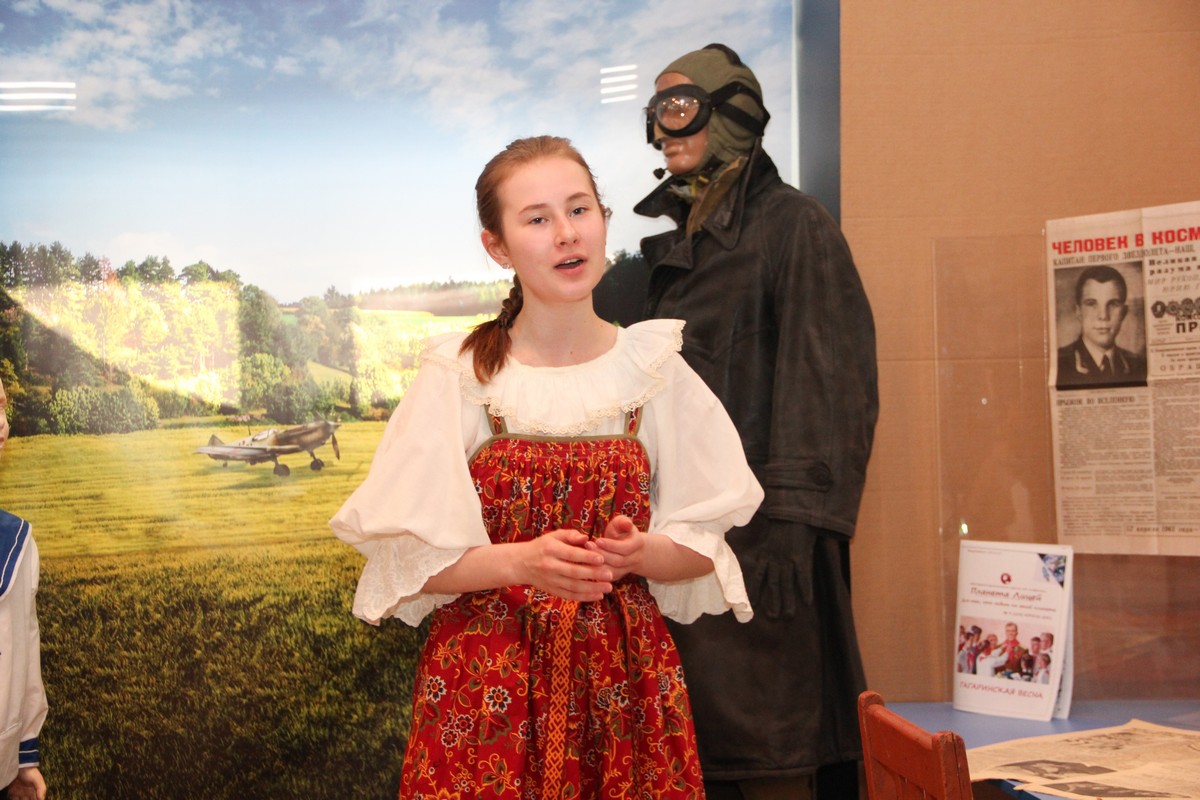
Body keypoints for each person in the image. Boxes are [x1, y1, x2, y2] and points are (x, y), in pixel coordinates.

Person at [330, 135, 762, 798]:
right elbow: (409, 560)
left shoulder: (654, 371)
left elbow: (703, 543)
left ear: (604, 219)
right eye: (537, 219)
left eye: (579, 209)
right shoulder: (460, 377)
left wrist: (639, 552)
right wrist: (523, 563)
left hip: (624, 686)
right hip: (485, 691)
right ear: (497, 246)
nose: (566, 234)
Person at [614, 43, 879, 799]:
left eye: (677, 108)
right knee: (704, 761)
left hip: (767, 555)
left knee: (772, 760)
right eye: (654, 114)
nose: (661, 130)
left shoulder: (793, 226)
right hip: (694, 546)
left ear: (731, 112)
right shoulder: (680, 247)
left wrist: (794, 522)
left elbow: (833, 383)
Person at [0, 378, 49, 800]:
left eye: (1, 407)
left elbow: (25, 650)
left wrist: (22, 759)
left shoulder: (19, 542)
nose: (1, 422)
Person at [1057, 265, 1146, 387]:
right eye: (1091, 304)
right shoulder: (1060, 363)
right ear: (1078, 312)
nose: (1103, 316)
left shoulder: (1140, 366)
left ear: (1124, 313)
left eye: (1113, 304)